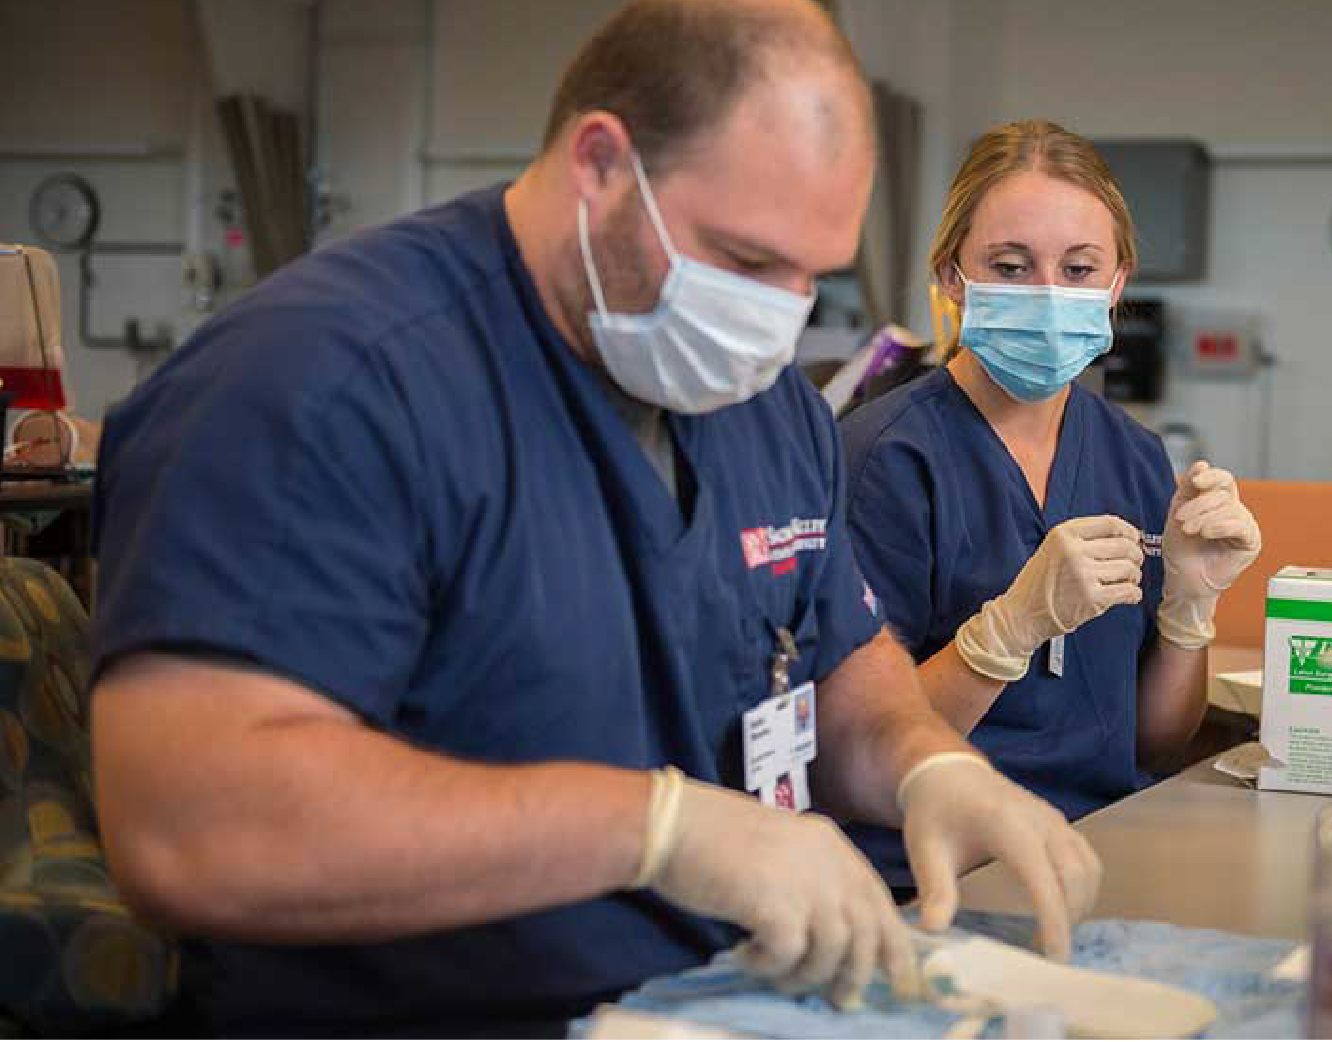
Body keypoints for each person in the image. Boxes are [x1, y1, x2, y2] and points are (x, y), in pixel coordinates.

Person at [87, 5, 1099, 1035]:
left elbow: (839, 659)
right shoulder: (324, 385)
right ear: (600, 164)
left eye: (811, 274)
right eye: (746, 262)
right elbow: (192, 826)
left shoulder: (768, 408)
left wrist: (927, 765)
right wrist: (653, 828)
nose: (777, 315)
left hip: (710, 1001)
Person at [840, 121, 1262, 888]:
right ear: (951, 277)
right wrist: (1007, 631)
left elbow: (1153, 747)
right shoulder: (885, 460)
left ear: (1116, 284)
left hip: (1099, 852)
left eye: (1077, 269)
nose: (1046, 294)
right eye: (1010, 265)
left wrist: (1190, 612)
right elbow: (859, 751)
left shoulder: (1130, 455)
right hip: (935, 875)